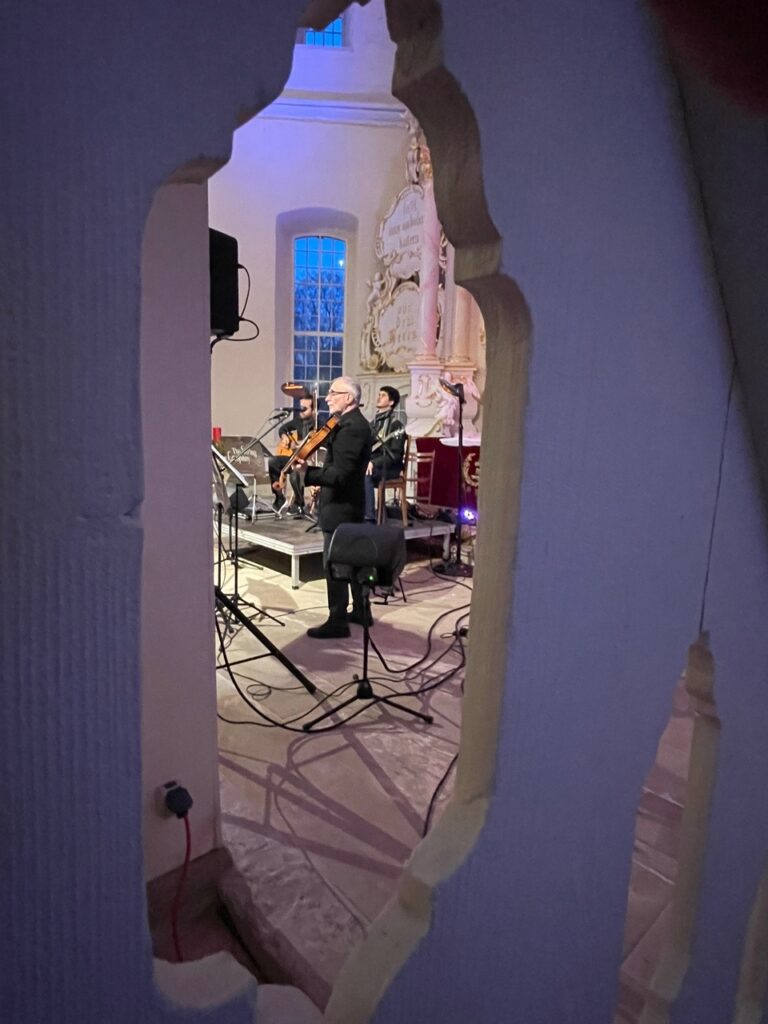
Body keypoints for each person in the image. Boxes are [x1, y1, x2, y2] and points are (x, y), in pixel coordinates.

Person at [296, 376, 372, 639]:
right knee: (351, 560)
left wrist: (308, 473)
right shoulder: (350, 424)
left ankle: (337, 621)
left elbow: (340, 475)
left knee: (335, 564)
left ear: (348, 398)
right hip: (348, 504)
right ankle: (362, 611)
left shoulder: (351, 428)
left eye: (332, 393)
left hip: (341, 506)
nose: (327, 398)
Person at [364, 386, 407, 523]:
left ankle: (369, 517)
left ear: (391, 402)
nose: (378, 397)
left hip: (390, 468)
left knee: (365, 473)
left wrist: (373, 463)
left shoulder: (396, 425)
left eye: (383, 395)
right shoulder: (373, 424)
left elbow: (396, 455)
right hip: (373, 465)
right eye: (379, 394)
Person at [268, 396, 315, 512]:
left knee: (295, 472)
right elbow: (283, 429)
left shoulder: (318, 424)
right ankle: (279, 497)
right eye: (300, 408)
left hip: (310, 461)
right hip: (295, 458)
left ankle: (299, 503)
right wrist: (285, 437)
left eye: (304, 409)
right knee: (273, 461)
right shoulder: (298, 421)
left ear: (313, 410)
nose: (301, 411)